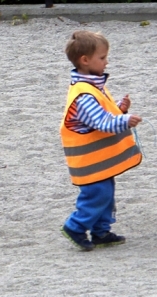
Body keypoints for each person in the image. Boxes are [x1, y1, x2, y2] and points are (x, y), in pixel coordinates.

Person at [60, 30, 143, 251]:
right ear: (85, 60)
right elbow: (102, 122)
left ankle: (100, 231)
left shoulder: (92, 86)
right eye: (103, 57)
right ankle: (75, 227)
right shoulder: (84, 95)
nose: (107, 62)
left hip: (98, 161)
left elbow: (104, 112)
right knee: (98, 194)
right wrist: (124, 120)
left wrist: (119, 108)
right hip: (89, 161)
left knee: (105, 192)